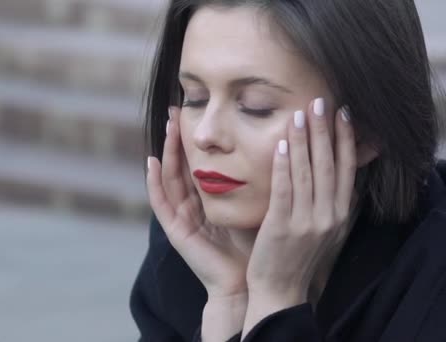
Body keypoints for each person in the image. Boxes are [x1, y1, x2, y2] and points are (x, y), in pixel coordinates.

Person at [129, 0, 446, 341]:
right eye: (195, 97)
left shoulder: (431, 279)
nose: (205, 135)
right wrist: (229, 299)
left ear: (367, 129)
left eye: (256, 106)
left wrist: (275, 297)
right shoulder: (193, 241)